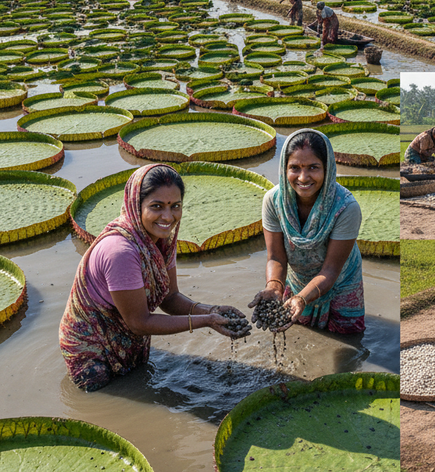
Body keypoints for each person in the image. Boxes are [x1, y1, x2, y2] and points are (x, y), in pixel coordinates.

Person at [59, 165, 247, 391]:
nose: (168, 217)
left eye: (175, 206)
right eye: (156, 207)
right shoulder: (121, 252)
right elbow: (139, 323)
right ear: (136, 206)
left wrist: (211, 310)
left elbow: (170, 298)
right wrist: (205, 322)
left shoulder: (161, 242)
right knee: (105, 397)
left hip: (126, 336)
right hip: (91, 347)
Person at [248, 129, 364, 334]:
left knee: (348, 337)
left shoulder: (346, 208)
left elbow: (330, 271)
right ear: (284, 169)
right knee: (301, 327)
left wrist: (302, 297)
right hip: (298, 276)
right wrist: (274, 287)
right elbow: (275, 257)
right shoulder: (273, 201)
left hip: (340, 279)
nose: (303, 177)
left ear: (327, 169)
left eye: (313, 168)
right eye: (295, 168)